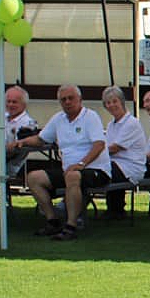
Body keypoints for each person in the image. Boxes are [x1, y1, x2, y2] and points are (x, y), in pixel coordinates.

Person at [19, 83, 108, 241]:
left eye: (70, 98)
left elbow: (99, 145)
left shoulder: (90, 117)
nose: (67, 102)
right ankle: (53, 221)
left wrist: (81, 164)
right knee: (33, 178)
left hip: (96, 170)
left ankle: (70, 226)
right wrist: (21, 142)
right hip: (69, 170)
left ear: (80, 99)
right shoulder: (58, 119)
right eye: (63, 99)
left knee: (72, 176)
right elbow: (41, 139)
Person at [101, 85, 146, 218]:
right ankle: (115, 210)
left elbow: (114, 148)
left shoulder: (131, 123)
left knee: (98, 171)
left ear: (122, 102)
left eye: (114, 101)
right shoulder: (111, 125)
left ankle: (115, 210)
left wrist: (93, 154)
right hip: (115, 164)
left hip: (130, 166)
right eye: (108, 103)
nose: (111, 105)